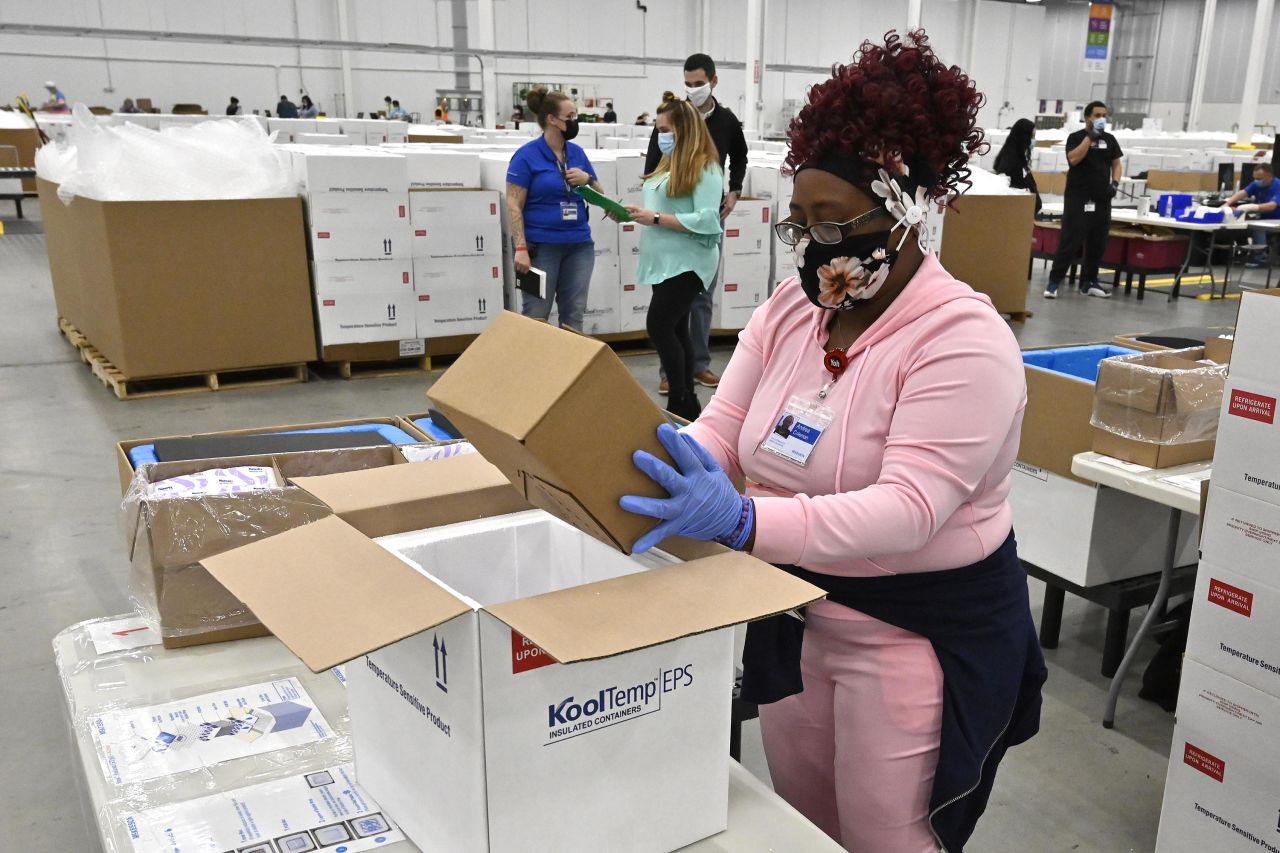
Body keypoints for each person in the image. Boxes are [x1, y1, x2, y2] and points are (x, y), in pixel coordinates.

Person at [618, 30, 1045, 853]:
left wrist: (744, 524)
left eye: (836, 220)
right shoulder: (791, 310)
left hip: (915, 634)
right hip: (794, 612)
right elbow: (726, 424)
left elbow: (909, 509)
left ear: (911, 207)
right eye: (801, 222)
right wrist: (689, 461)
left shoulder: (961, 340)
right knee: (803, 824)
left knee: (891, 835)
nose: (818, 244)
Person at [644, 53, 749, 394]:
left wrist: (734, 191)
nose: (693, 89)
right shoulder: (674, 119)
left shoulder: (726, 124)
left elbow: (740, 157)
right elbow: (653, 163)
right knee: (669, 316)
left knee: (696, 300)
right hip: (671, 224)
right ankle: (672, 374)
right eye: (687, 84)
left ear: (714, 81)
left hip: (701, 220)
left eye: (698, 83)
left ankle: (696, 368)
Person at [624, 93, 725, 421]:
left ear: (684, 128)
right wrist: (633, 213)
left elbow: (708, 219)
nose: (660, 136)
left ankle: (681, 399)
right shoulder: (669, 164)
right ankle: (687, 404)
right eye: (658, 130)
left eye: (665, 129)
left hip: (689, 261)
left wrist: (654, 219)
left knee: (659, 324)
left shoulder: (706, 168)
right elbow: (662, 208)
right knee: (678, 329)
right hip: (664, 261)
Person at [506, 87, 606, 333]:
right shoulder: (526, 156)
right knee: (536, 315)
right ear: (552, 119)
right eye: (570, 116)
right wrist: (520, 248)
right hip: (541, 248)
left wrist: (588, 180)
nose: (574, 122)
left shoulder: (577, 153)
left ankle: (571, 371)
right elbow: (513, 204)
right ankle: (535, 371)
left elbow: (599, 196)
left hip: (579, 245)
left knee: (574, 314)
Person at [1045, 101, 1123, 299]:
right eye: (1097, 115)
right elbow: (1073, 159)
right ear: (1088, 117)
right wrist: (1090, 138)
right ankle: (1054, 282)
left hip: (1102, 197)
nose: (1101, 119)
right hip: (1078, 197)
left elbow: (1117, 164)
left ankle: (1090, 282)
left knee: (1098, 241)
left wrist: (1114, 183)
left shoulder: (1110, 140)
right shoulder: (1076, 138)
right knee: (1070, 239)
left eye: (1104, 115)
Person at [1223, 163, 1279, 268]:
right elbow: (1243, 192)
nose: (1256, 181)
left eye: (1259, 178)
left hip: (1275, 221)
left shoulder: (1278, 186)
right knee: (1239, 226)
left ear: (1269, 176)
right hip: (1262, 218)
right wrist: (1227, 203)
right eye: (1255, 178)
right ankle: (1243, 253)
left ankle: (1260, 258)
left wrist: (1251, 207)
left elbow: (1271, 206)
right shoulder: (1257, 184)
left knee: (1258, 227)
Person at [993, 118, 1041, 215]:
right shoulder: (1009, 156)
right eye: (1032, 136)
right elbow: (1003, 183)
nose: (1033, 140)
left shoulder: (1020, 155)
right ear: (1024, 136)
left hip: (1024, 211)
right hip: (1016, 212)